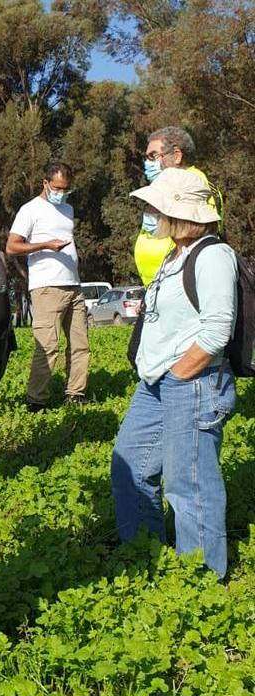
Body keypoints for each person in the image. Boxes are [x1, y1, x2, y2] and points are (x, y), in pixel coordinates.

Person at [112, 168, 237, 579]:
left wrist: (181, 374)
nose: (149, 212)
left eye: (154, 206)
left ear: (179, 211)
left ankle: (199, 583)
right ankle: (146, 560)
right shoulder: (174, 253)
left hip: (192, 382)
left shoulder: (213, 254)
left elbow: (219, 326)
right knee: (129, 464)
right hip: (155, 383)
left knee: (190, 485)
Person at [6, 162, 89, 411]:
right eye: (57, 187)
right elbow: (11, 247)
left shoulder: (67, 209)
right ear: (45, 183)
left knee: (80, 345)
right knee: (48, 347)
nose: (61, 192)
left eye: (66, 189)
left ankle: (76, 393)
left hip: (73, 285)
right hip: (46, 288)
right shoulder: (30, 210)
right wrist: (44, 245)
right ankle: (36, 400)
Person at [135, 127, 225, 287]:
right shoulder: (163, 188)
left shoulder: (195, 185)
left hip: (181, 284)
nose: (147, 163)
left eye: (153, 156)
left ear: (177, 156)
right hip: (160, 286)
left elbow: (192, 234)